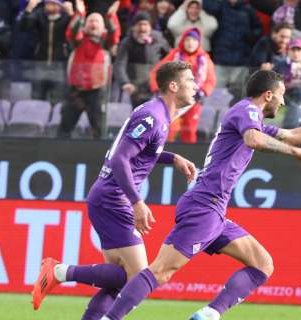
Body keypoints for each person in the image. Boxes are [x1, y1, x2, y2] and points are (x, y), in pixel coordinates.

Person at [98, 70, 301, 320]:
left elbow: (293, 135)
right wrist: (294, 153)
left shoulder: (251, 118)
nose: (283, 102)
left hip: (215, 210)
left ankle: (208, 315)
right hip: (204, 206)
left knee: (262, 264)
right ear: (268, 94)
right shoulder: (246, 112)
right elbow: (257, 141)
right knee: (161, 271)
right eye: (281, 95)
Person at [31, 61, 198, 319]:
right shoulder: (153, 116)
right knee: (139, 277)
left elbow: (142, 151)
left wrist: (172, 158)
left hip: (107, 198)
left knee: (118, 281)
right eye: (190, 80)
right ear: (173, 86)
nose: (195, 85)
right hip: (113, 199)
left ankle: (64, 278)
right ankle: (59, 272)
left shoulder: (159, 114)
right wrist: (136, 201)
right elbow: (121, 158)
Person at [57, 0, 120, 139]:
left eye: (97, 21)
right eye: (90, 20)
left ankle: (98, 158)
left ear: (103, 28)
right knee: (64, 128)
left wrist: (110, 17)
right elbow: (71, 32)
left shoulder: (106, 45)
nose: (93, 23)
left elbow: (114, 35)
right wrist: (79, 14)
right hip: (75, 91)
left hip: (96, 92)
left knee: (99, 131)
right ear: (84, 27)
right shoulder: (77, 42)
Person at [150, 27, 216, 144]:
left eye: (194, 40)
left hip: (194, 100)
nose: (190, 43)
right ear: (183, 41)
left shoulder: (204, 58)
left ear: (199, 43)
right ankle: (162, 154)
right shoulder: (174, 54)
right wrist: (157, 88)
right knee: (170, 128)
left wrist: (203, 92)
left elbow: (211, 79)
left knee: (190, 130)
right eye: (187, 40)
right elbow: (158, 71)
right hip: (174, 99)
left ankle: (188, 157)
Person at [19, 0, 73, 105]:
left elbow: (77, 31)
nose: (49, 5)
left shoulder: (66, 18)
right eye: (47, 3)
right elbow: (23, 27)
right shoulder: (39, 15)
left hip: (59, 65)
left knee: (58, 99)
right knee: (37, 98)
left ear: (59, 5)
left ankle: (55, 121)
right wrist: (29, 9)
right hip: (40, 64)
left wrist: (71, 14)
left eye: (53, 3)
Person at [114, 11, 170, 109]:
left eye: (145, 24)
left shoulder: (158, 38)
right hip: (136, 86)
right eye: (140, 24)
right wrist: (125, 82)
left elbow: (170, 55)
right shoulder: (127, 42)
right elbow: (120, 63)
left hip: (155, 84)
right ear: (134, 27)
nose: (143, 28)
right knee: (139, 113)